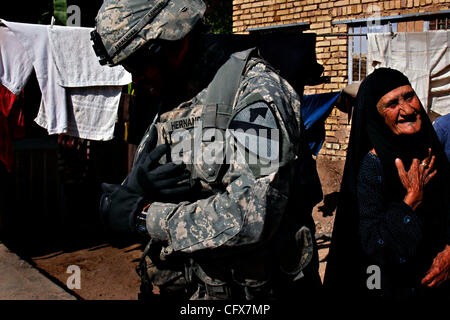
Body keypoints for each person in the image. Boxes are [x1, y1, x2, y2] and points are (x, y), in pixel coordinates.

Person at [91, 0, 323, 300]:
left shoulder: (256, 91)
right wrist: (137, 187)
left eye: (138, 64)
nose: (137, 79)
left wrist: (144, 216)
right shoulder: (174, 95)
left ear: (174, 41)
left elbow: (250, 217)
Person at [324, 68, 450, 300]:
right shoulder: (373, 167)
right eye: (392, 104)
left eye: (409, 96)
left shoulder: (430, 150)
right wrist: (411, 200)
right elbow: (374, 248)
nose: (408, 110)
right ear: (376, 116)